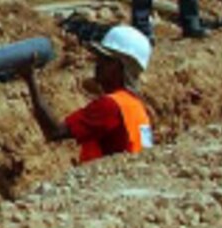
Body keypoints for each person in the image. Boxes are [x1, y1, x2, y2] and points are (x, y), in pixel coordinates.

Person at [21, 25, 155, 164]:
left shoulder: (111, 105)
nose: (98, 64)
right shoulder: (134, 105)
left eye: (106, 60)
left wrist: (30, 79)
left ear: (124, 67)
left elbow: (54, 132)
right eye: (99, 58)